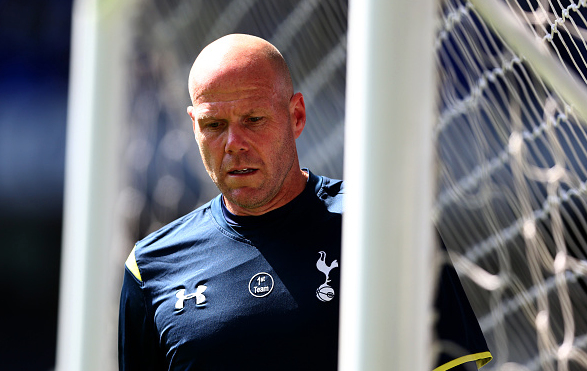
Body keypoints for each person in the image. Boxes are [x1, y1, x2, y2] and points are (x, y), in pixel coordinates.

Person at [118, 33, 492, 370]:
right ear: (194, 125)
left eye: (253, 119)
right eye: (214, 124)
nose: (234, 144)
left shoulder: (384, 223)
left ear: (295, 116)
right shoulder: (150, 267)